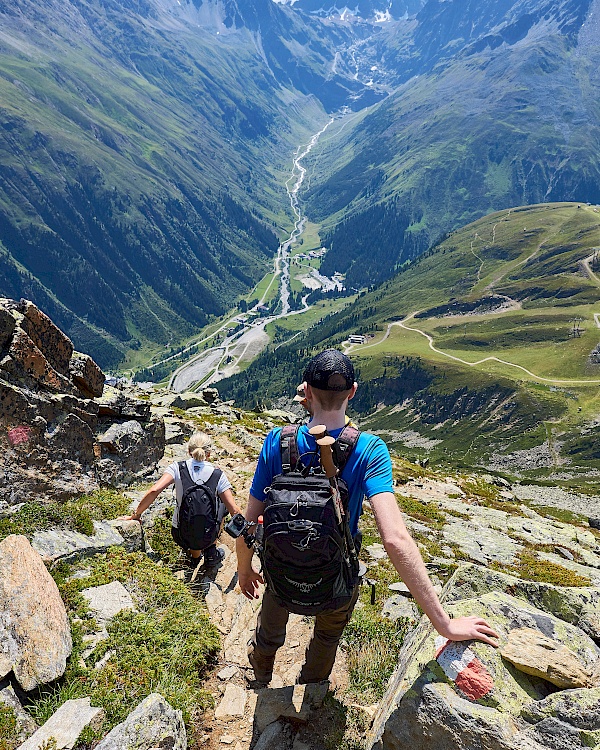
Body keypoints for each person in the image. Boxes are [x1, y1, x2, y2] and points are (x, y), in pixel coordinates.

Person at [237, 349, 499, 685]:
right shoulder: (369, 449)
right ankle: (311, 687)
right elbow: (394, 538)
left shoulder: (277, 441)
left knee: (269, 632)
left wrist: (245, 571)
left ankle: (259, 677)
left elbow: (247, 525)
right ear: (353, 392)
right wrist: (443, 623)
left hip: (279, 570)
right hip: (336, 579)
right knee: (327, 638)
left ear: (307, 391)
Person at [121, 431, 240, 567]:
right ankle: (211, 552)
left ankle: (194, 558)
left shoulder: (177, 468)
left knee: (193, 522)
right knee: (222, 503)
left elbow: (154, 490)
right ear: (209, 453)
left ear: (189, 451)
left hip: (180, 534)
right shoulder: (218, 474)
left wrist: (136, 515)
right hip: (208, 535)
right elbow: (234, 510)